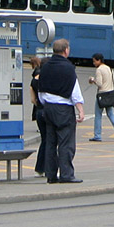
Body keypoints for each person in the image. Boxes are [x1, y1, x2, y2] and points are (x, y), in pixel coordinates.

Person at [37, 38, 85, 183]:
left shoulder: (45, 67)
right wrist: (80, 110)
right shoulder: (68, 68)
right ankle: (66, 174)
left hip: (48, 108)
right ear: (66, 50)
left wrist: (46, 104)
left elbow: (40, 91)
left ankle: (51, 175)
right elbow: (75, 93)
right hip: (63, 109)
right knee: (65, 143)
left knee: (50, 142)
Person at [87, 53, 114, 142]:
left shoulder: (99, 70)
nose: (94, 63)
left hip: (102, 94)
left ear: (99, 60)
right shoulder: (109, 68)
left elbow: (99, 84)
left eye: (94, 61)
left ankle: (97, 135)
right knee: (110, 113)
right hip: (110, 94)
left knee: (98, 115)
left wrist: (93, 80)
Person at [28, 56, 46, 177]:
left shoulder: (34, 81)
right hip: (49, 110)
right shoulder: (47, 80)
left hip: (39, 110)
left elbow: (32, 99)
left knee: (44, 140)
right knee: (51, 141)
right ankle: (49, 167)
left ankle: (40, 168)